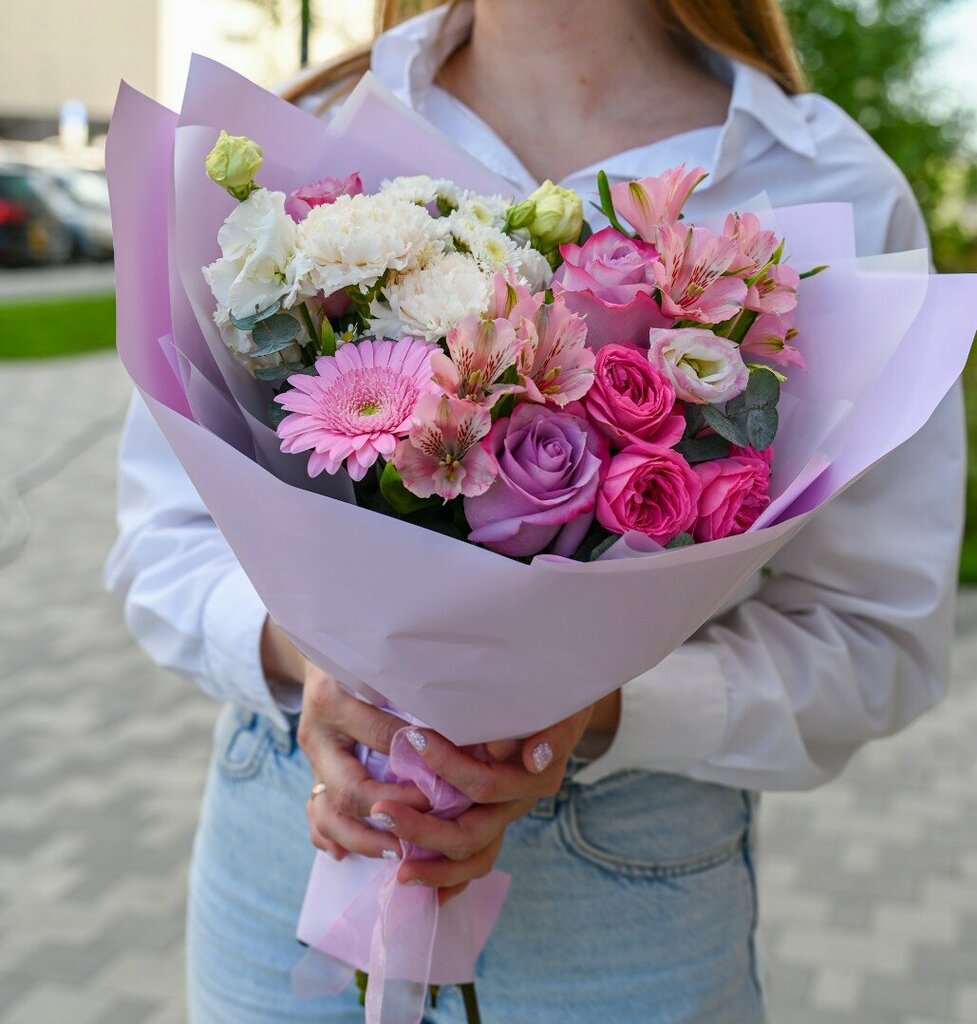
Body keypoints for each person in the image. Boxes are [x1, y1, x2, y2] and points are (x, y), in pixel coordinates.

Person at [105, 1, 966, 1021]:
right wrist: (309, 661)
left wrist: (593, 714)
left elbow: (873, 637)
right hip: (291, 825)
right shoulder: (311, 132)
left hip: (624, 882)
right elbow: (161, 540)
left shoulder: (832, 185)